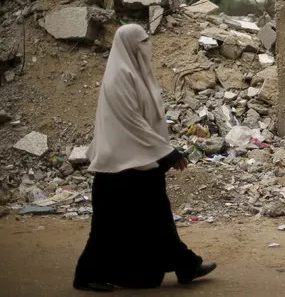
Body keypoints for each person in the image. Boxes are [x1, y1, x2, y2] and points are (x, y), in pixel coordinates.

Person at [73, 24, 216, 292]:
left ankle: (186, 265)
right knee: (106, 228)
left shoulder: (136, 75)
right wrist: (166, 152)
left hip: (140, 162)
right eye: (143, 41)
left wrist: (162, 152)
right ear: (128, 44)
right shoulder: (119, 78)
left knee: (158, 219)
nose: (147, 46)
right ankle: (85, 276)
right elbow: (133, 124)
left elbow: (151, 121)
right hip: (116, 168)